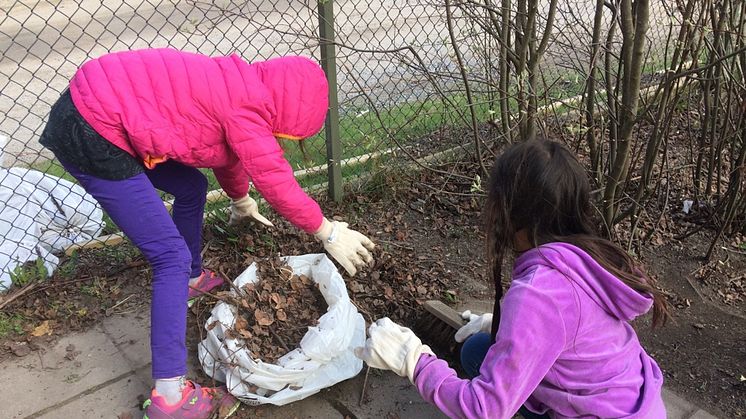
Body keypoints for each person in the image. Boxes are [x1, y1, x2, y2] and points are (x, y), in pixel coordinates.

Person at [38, 48, 375, 418]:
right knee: (170, 257)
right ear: (287, 115)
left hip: (100, 108)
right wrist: (326, 231)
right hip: (94, 130)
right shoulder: (245, 109)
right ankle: (170, 398)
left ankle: (191, 279)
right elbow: (276, 179)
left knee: (191, 187)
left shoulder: (243, 87)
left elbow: (232, 155)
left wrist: (241, 199)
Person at [354, 139, 669, 419]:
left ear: (511, 211)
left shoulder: (539, 294)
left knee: (486, 386)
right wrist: (510, 329)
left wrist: (414, 361)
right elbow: (574, 326)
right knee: (478, 350)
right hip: (632, 403)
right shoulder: (584, 257)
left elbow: (483, 410)